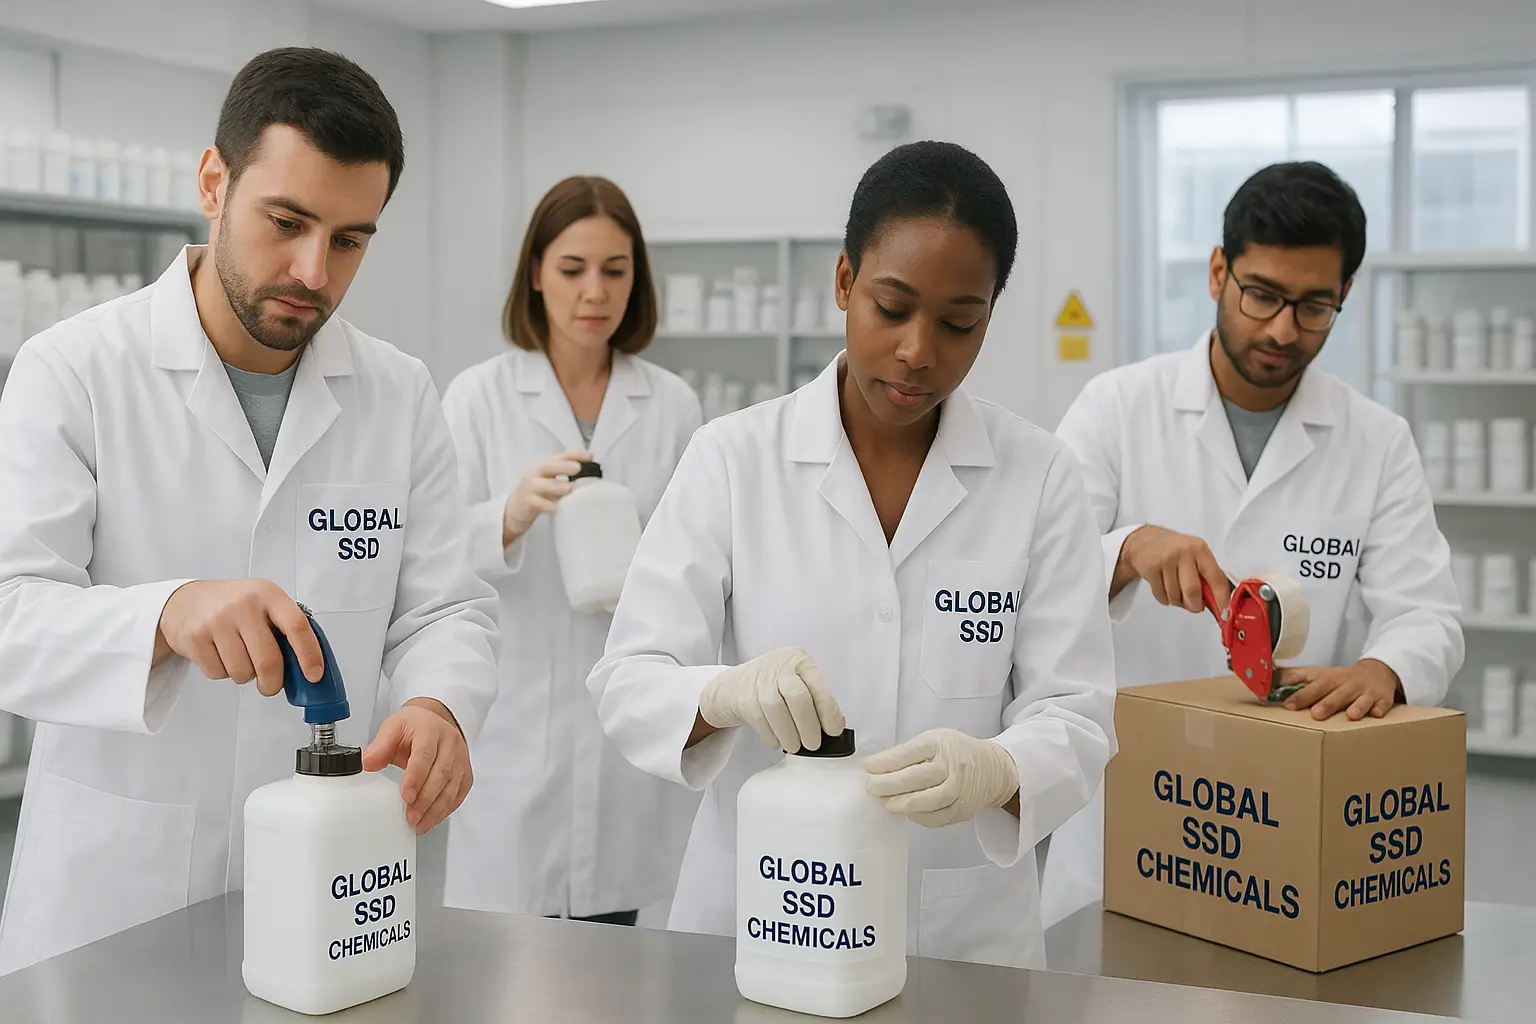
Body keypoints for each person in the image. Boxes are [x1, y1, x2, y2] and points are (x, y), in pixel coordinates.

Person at [0, 48, 499, 974]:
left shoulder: (399, 393)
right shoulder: (73, 372)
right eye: (287, 221)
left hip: (332, 894)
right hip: (117, 898)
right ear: (213, 181)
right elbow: (10, 615)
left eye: (350, 240)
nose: (313, 270)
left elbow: (446, 607)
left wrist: (438, 703)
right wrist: (164, 613)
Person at [586, 141, 1117, 969]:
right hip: (762, 912)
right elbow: (628, 680)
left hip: (958, 933)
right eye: (891, 307)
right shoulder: (733, 458)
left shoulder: (1039, 474)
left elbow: (1078, 713)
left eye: (958, 322)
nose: (918, 350)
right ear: (843, 283)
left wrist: (1000, 769)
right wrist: (722, 692)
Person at [1040, 161, 1463, 929]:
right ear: (1217, 271)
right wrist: (1128, 550)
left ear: (1343, 300)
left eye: (1314, 307)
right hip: (1130, 795)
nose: (1280, 330)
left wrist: (1385, 667)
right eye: (1261, 294)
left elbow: (1428, 613)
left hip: (1285, 806)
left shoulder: (1375, 440)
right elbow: (1033, 577)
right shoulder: (1117, 407)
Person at [440, 177, 703, 926]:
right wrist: (510, 515)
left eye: (615, 271)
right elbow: (426, 557)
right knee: (508, 972)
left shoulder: (672, 405)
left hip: (627, 739)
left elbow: (697, 557)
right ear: (535, 274)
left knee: (622, 964)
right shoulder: (479, 398)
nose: (595, 291)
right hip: (518, 725)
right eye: (572, 268)